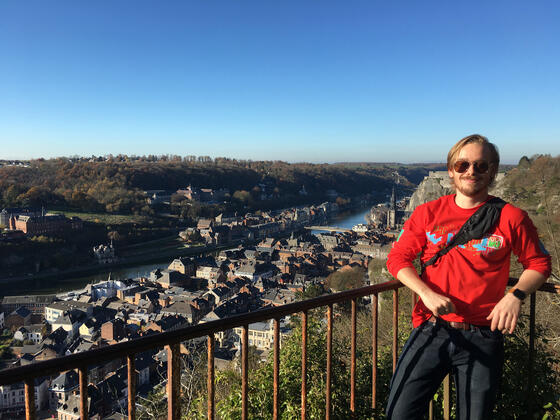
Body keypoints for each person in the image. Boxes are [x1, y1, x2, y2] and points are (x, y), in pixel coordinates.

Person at [385, 134, 551, 420]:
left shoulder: (512, 217)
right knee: (399, 413)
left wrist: (516, 295)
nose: (471, 171)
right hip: (430, 327)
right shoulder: (427, 213)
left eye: (480, 165)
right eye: (462, 165)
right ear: (451, 170)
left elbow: (538, 264)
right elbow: (397, 259)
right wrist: (425, 292)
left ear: (493, 171)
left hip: (483, 334)